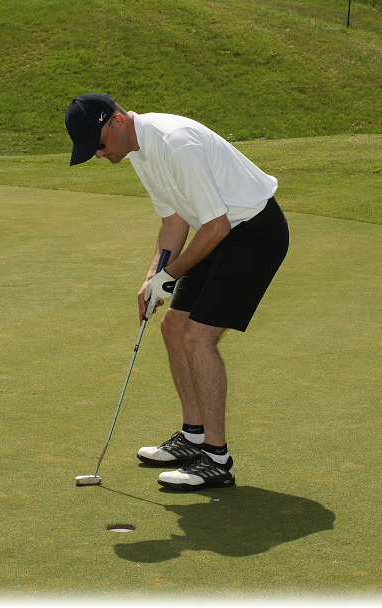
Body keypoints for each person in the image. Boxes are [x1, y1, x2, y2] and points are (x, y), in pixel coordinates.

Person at [65, 93, 289, 491]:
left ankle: (217, 460)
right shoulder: (140, 153)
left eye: (98, 144)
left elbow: (217, 226)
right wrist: (152, 277)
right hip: (218, 232)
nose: (98, 154)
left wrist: (170, 274)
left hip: (254, 233)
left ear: (118, 121)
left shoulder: (174, 142)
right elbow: (174, 220)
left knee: (198, 337)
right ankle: (193, 437)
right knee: (173, 325)